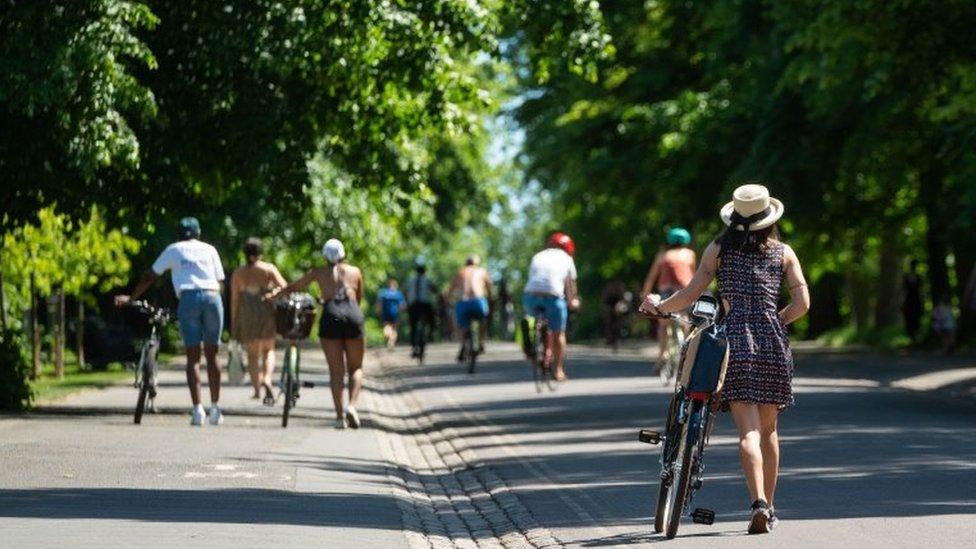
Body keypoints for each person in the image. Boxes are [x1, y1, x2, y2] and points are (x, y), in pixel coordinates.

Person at [640, 184, 809, 534]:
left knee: (747, 431)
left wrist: (659, 307)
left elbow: (690, 294)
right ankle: (770, 508)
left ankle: (757, 502)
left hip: (733, 342)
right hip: (772, 343)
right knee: (769, 431)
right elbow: (803, 304)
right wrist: (776, 321)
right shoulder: (784, 253)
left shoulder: (718, 250)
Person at [115, 217, 227, 426]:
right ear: (199, 233)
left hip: (188, 298)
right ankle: (215, 408)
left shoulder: (174, 249)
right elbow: (219, 279)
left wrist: (132, 297)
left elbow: (151, 275)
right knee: (212, 354)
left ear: (180, 234)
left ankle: (197, 411)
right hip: (212, 296)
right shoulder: (210, 249)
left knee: (193, 356)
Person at [270, 239, 365, 430]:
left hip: (331, 316)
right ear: (343, 254)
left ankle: (339, 417)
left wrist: (274, 296)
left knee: (336, 371)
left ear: (324, 256)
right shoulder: (355, 272)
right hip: (353, 315)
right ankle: (352, 406)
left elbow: (293, 286)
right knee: (355, 368)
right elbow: (359, 298)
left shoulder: (318, 272)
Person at [230, 237, 287, 405]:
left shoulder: (239, 273)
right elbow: (284, 286)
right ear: (260, 252)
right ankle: (267, 379)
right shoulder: (268, 269)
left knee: (253, 355)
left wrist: (234, 322)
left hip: (247, 314)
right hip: (266, 311)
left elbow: (234, 299)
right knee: (269, 350)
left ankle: (256, 390)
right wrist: (272, 293)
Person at [523, 232, 581, 381]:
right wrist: (573, 302)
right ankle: (558, 371)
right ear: (568, 248)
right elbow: (570, 287)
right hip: (552, 298)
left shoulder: (538, 256)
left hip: (530, 296)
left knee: (534, 319)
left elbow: (533, 278)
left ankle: (531, 332)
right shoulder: (567, 259)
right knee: (558, 333)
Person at [641, 227, 697, 366]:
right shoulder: (690, 254)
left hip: (666, 291)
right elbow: (695, 275)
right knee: (684, 319)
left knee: (663, 323)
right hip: (685, 291)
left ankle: (663, 354)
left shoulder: (663, 255)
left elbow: (651, 277)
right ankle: (686, 352)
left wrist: (645, 294)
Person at [446, 255, 493, 360]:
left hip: (463, 302)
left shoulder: (460, 272)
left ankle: (462, 343)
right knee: (483, 319)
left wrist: (449, 300)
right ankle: (481, 342)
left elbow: (449, 290)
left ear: (466, 263)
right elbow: (489, 289)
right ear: (476, 263)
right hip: (478, 302)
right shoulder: (482, 271)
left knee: (461, 325)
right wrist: (490, 299)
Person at [405, 257, 438, 357]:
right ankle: (431, 334)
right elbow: (435, 289)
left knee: (413, 325)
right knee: (432, 320)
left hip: (413, 305)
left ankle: (414, 345)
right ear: (425, 271)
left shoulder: (410, 280)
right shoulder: (427, 280)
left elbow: (405, 291)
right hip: (425, 305)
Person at [376, 279, 406, 350]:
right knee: (394, 329)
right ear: (395, 286)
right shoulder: (398, 294)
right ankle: (391, 341)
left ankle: (389, 337)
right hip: (395, 313)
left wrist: (378, 310)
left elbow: (379, 303)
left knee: (386, 327)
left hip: (386, 313)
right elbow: (402, 305)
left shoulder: (383, 293)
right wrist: (402, 311)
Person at [901, 259, 923, 343]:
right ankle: (911, 336)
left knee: (916, 317)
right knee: (909, 318)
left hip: (916, 300)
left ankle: (915, 336)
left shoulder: (918, 277)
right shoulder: (906, 277)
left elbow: (921, 290)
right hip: (909, 300)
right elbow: (903, 290)